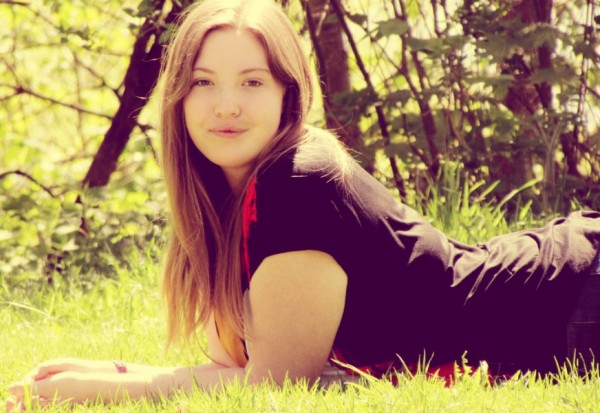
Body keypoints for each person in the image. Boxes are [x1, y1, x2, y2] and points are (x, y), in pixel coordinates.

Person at [6, 0, 600, 409]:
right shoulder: (230, 196)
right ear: (179, 99)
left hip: (571, 303)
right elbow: (235, 368)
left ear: (287, 94)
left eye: (252, 82)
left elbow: (273, 387)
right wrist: (106, 371)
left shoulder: (298, 184)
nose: (226, 105)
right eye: (204, 82)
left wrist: (103, 391)